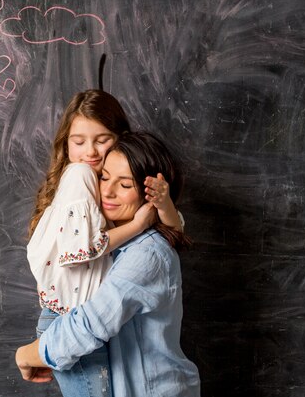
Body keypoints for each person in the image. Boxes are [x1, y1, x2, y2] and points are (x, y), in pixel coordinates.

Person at [16, 131, 201, 397]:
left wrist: (28, 354)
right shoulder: (114, 241)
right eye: (103, 177)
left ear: (150, 197)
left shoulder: (146, 254)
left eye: (125, 185)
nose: (108, 191)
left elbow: (91, 325)